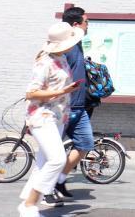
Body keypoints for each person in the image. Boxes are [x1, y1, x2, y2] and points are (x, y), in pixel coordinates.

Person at [17, 22, 85, 217]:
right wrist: (62, 91)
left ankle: (28, 206)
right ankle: (30, 205)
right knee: (57, 160)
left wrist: (67, 91)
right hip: (42, 116)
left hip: (57, 117)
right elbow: (31, 93)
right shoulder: (44, 62)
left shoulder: (61, 57)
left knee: (43, 163)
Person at [43, 6, 94, 207]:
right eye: (86, 22)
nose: (88, 25)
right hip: (65, 107)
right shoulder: (65, 49)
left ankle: (60, 181)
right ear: (76, 24)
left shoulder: (77, 44)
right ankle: (45, 190)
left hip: (79, 107)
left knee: (85, 144)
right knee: (52, 154)